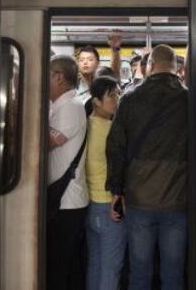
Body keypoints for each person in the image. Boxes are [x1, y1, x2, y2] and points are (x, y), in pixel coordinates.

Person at [106, 44, 188, 290]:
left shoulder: (131, 98)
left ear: (150, 66)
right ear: (177, 68)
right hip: (178, 198)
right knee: (173, 272)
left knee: (140, 271)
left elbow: (116, 147)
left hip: (139, 199)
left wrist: (116, 191)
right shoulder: (189, 99)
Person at [47, 55, 88, 290]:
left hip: (68, 202)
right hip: (62, 200)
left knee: (61, 265)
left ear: (59, 77)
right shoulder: (60, 106)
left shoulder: (71, 107)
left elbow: (47, 142)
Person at [85, 76, 126, 290]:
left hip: (91, 205)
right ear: (96, 101)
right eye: (112, 95)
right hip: (109, 205)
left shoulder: (87, 125)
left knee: (95, 265)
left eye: (118, 94)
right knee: (111, 268)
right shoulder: (109, 129)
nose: (116, 99)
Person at [77, 36, 122, 104]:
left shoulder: (103, 79)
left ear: (98, 63)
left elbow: (115, 72)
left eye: (90, 59)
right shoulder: (74, 86)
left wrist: (115, 49)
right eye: (81, 60)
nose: (85, 62)